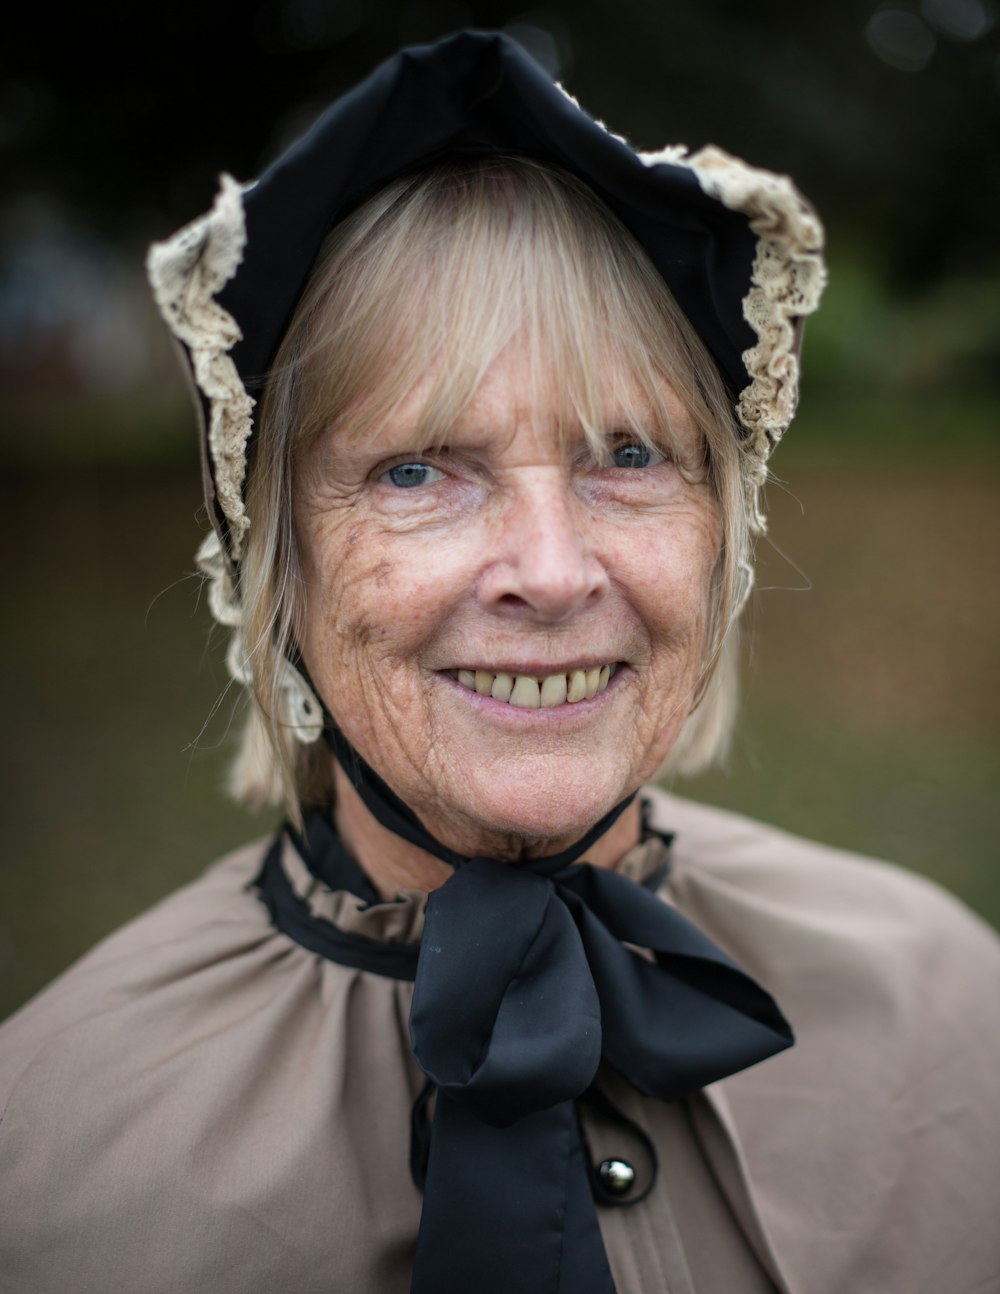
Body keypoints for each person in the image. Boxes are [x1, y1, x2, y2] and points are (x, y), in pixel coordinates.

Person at [1, 31, 997, 1294]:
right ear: (277, 564)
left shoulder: (951, 1011)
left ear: (721, 533)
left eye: (629, 455)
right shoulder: (51, 1175)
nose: (554, 568)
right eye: (417, 468)